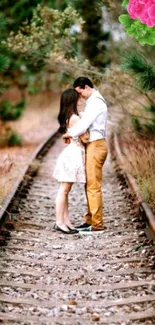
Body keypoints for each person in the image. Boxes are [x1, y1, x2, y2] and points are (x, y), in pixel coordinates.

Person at [63, 77, 108, 232]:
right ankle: (90, 221)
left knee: (93, 186)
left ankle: (97, 225)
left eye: (80, 91)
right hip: (93, 145)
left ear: (86, 87)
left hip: (96, 146)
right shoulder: (93, 102)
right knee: (90, 185)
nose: (79, 96)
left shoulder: (96, 102)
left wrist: (69, 133)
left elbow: (85, 123)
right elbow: (86, 119)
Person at [53, 88, 89, 234]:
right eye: (78, 98)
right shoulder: (75, 118)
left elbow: (71, 135)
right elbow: (85, 138)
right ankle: (59, 221)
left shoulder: (70, 116)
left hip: (71, 154)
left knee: (65, 191)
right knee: (64, 190)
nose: (80, 99)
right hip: (73, 155)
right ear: (73, 100)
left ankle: (66, 220)